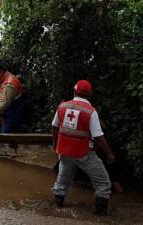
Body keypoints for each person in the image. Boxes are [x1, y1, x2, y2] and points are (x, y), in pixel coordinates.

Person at [51, 80, 116, 216]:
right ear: (90, 95)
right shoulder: (90, 112)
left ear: (74, 91)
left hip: (64, 151)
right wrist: (109, 153)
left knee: (63, 179)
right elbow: (98, 137)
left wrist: (55, 143)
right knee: (103, 182)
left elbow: (55, 126)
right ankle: (101, 215)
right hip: (83, 153)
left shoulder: (62, 106)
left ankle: (55, 206)